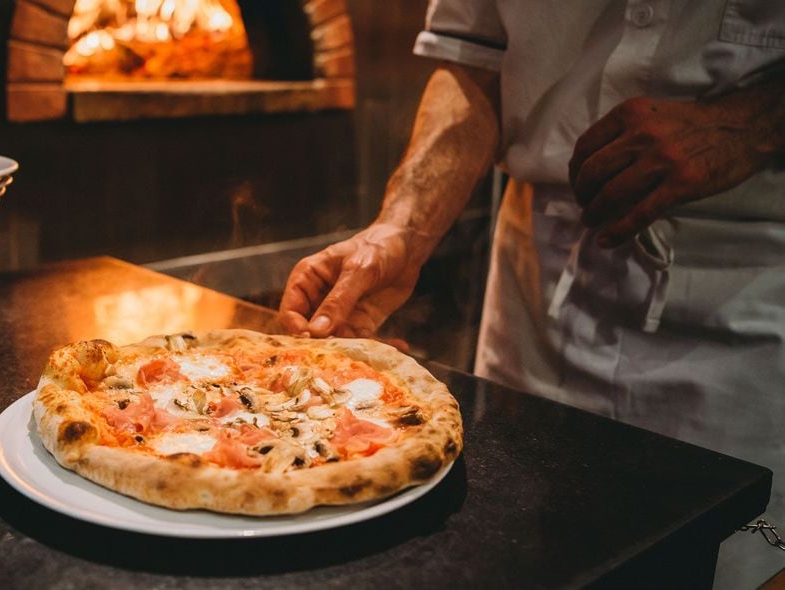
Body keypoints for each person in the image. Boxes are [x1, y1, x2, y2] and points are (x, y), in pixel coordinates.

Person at [278, 2, 785, 587]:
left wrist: (753, 122)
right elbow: (472, 59)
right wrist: (402, 228)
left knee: (730, 563)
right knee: (510, 560)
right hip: (537, 287)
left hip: (751, 290)